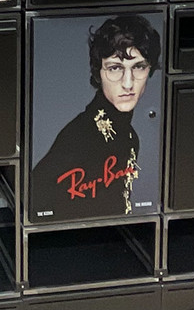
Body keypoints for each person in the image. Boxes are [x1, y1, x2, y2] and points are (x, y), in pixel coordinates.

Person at [31, 14, 161, 221]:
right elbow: (34, 204)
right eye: (115, 68)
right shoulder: (80, 135)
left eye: (138, 67)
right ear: (98, 72)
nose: (128, 83)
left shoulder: (129, 137)